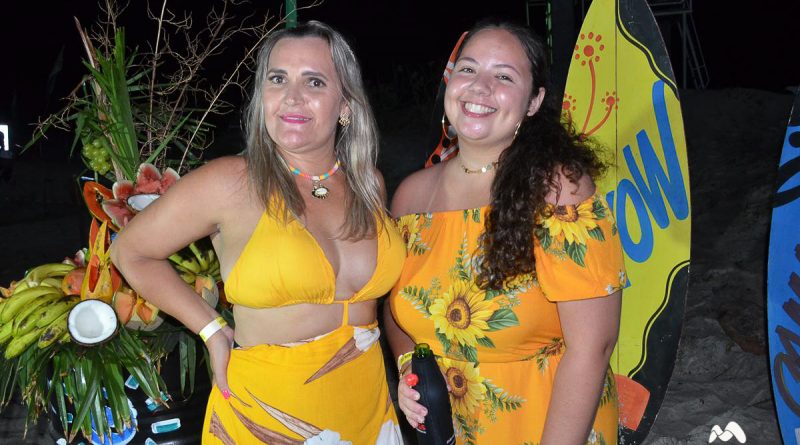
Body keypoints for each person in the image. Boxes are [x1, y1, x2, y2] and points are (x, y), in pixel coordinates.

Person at [112, 21, 405, 444]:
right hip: (267, 418)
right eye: (278, 79)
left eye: (314, 81)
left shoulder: (368, 183)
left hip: (368, 412)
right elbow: (131, 251)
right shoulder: (232, 182)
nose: (292, 96)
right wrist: (211, 329)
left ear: (345, 104)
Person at [384, 20, 626, 445]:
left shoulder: (558, 189)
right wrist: (409, 368)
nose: (479, 87)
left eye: (504, 76)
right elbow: (394, 307)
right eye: (468, 69)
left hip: (548, 426)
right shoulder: (411, 196)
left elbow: (594, 347)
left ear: (534, 102)